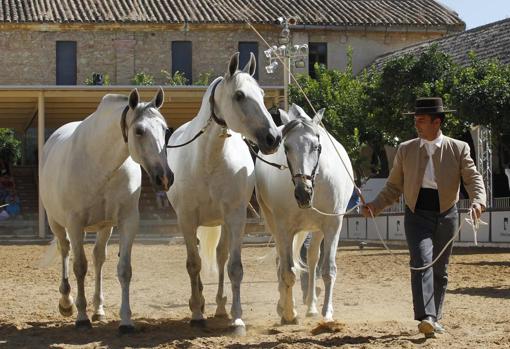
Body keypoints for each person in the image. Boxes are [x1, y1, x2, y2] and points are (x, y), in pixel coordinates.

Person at [361, 97, 486, 338]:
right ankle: (426, 317)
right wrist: (375, 206)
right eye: (415, 120)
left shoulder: (459, 148)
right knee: (421, 261)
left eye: (421, 120)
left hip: (447, 214)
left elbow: (473, 178)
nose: (416, 125)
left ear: (436, 122)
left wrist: (478, 200)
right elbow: (393, 187)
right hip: (416, 215)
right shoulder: (405, 149)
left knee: (440, 269)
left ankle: (434, 319)